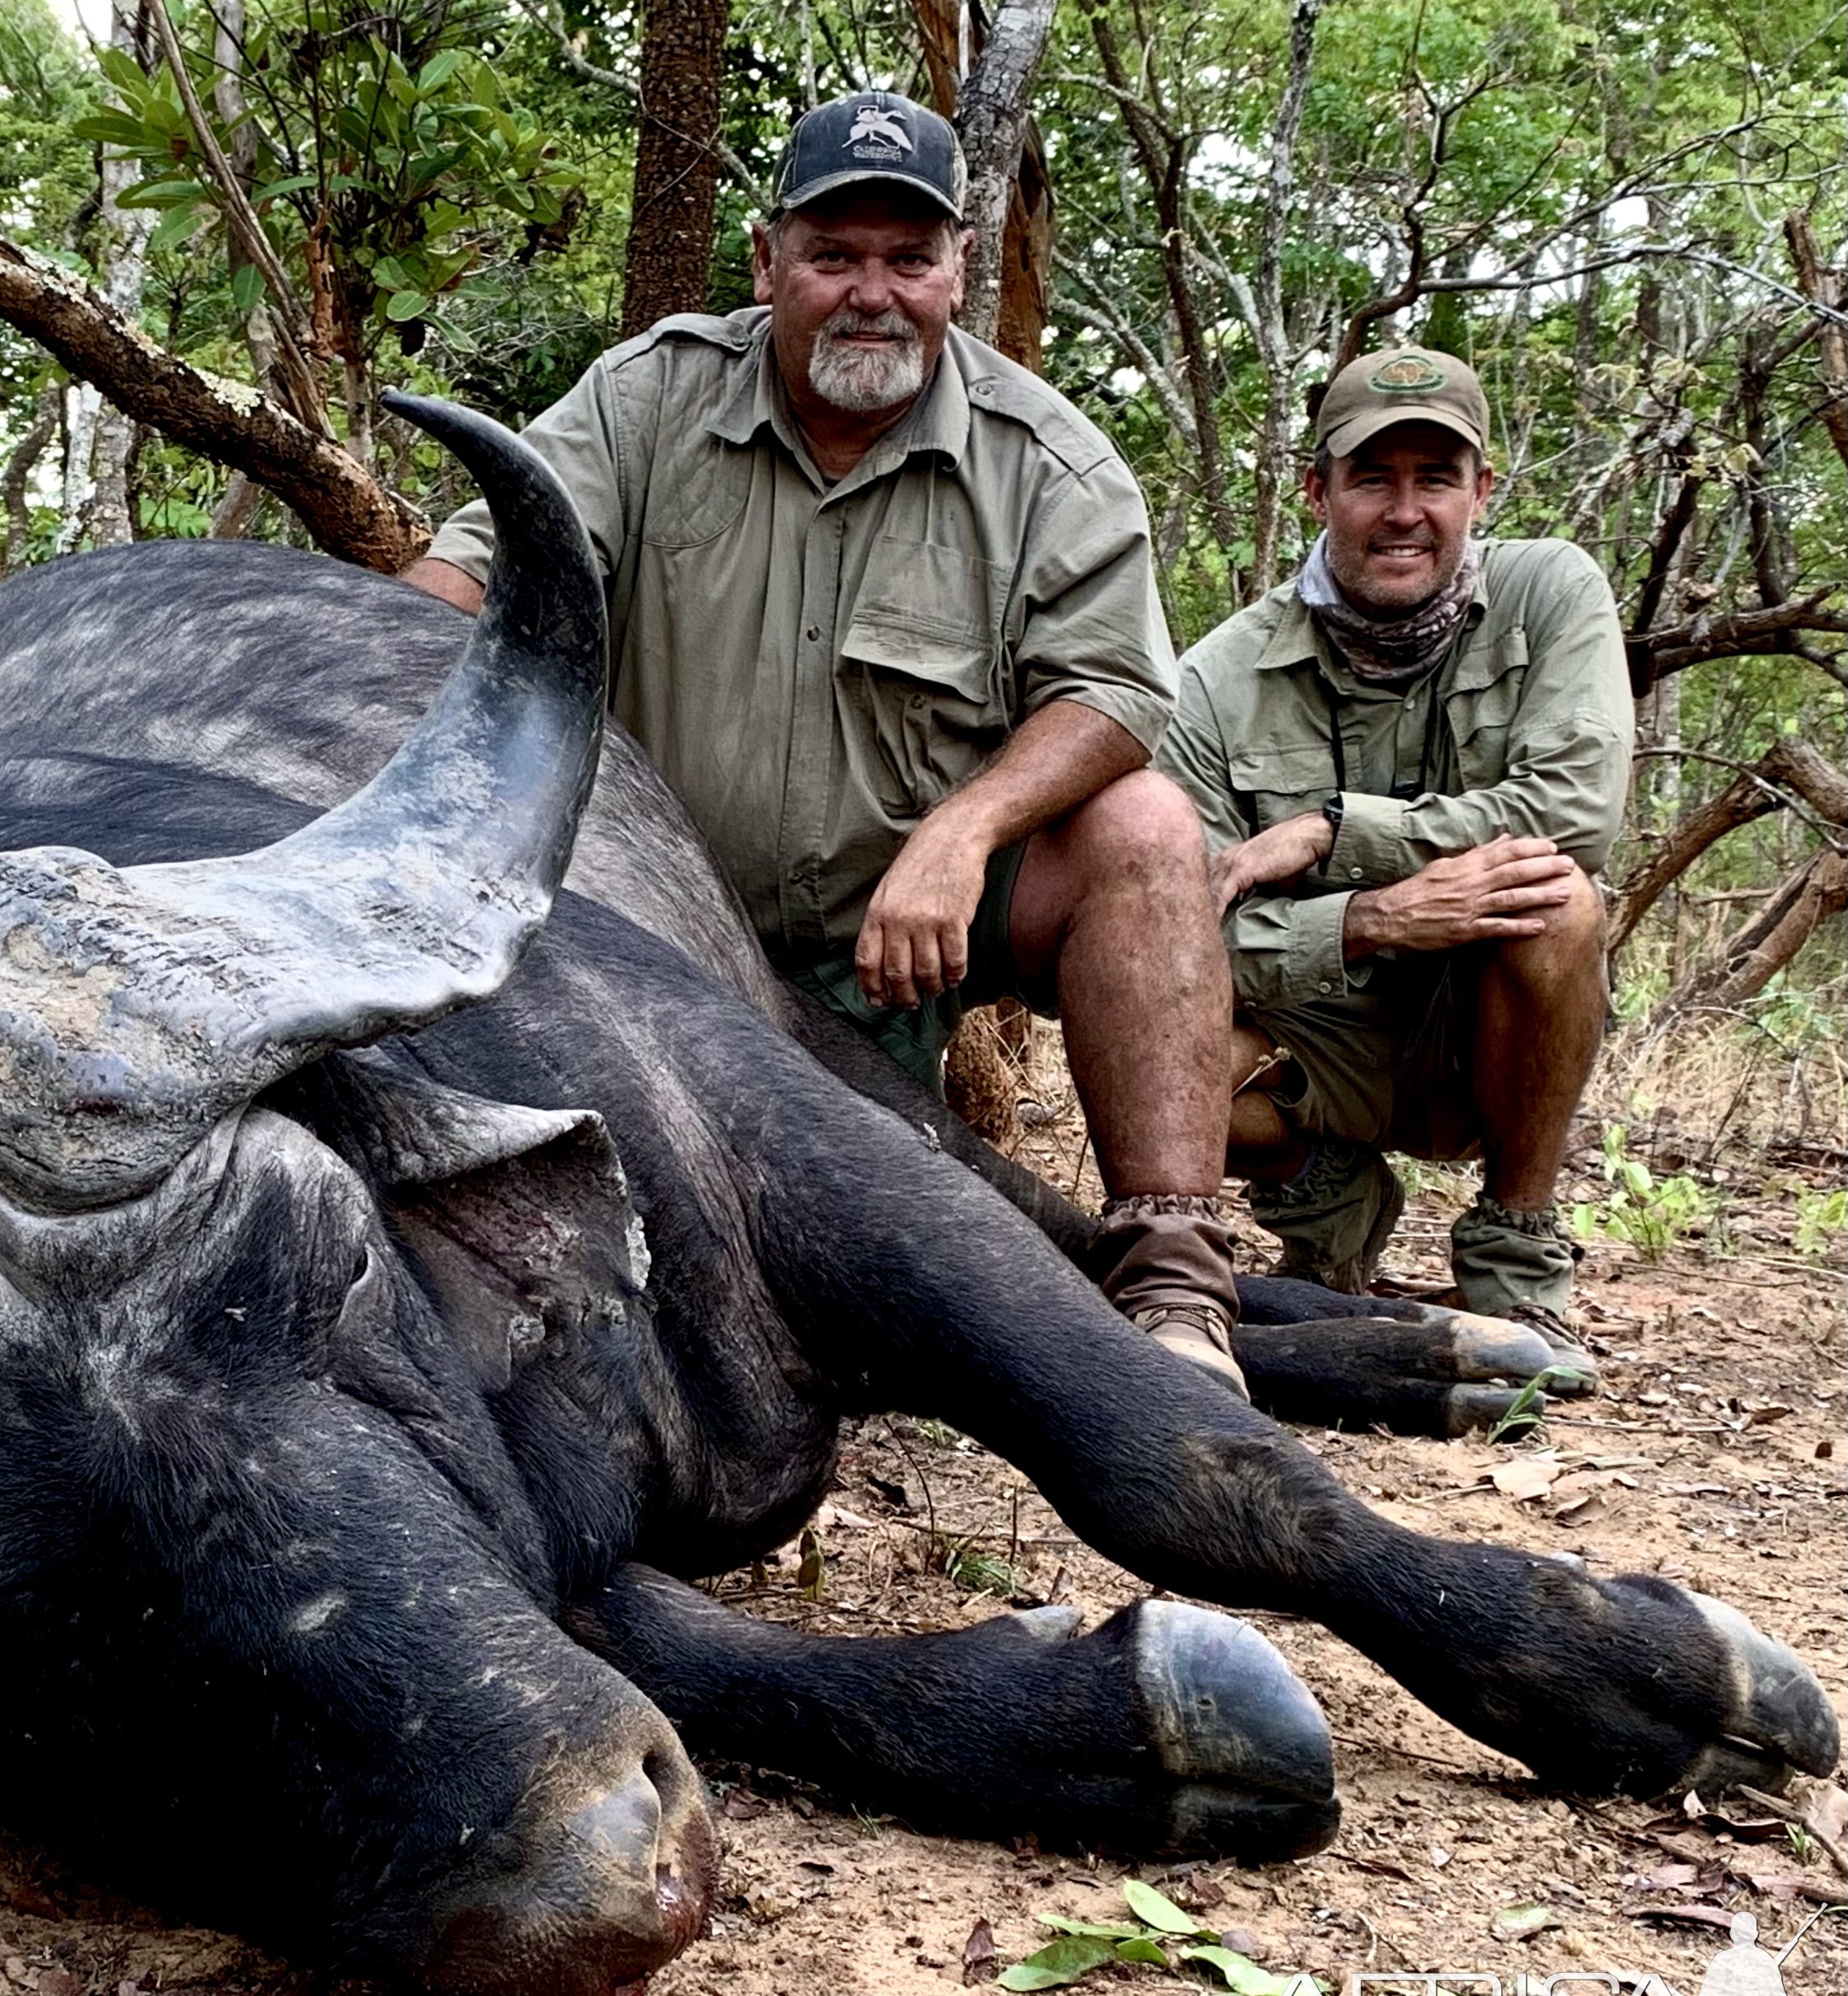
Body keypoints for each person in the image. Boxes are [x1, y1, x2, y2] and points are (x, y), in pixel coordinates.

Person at [402, 89, 1246, 1391]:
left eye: (908, 259)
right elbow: (464, 587)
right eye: (833, 255)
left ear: (957, 270)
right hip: (646, 945)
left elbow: (1118, 694)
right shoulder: (646, 400)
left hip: (897, 948)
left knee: (1144, 826)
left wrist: (961, 833)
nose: (872, 293)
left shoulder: (1045, 462)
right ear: (766, 261)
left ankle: (1176, 1277)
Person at [1157, 348, 1630, 1353]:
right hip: (1319, 1041)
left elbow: (1577, 814)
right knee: (1153, 1043)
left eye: (1436, 479)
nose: (1403, 511)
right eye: (1372, 478)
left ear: (1482, 491)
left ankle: (1514, 1259)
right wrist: (1371, 920)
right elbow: (1174, 937)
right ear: (1318, 489)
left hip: (1490, 1032)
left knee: (1557, 897)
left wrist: (1333, 830)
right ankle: (1328, 1202)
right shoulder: (1217, 679)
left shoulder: (1551, 592)